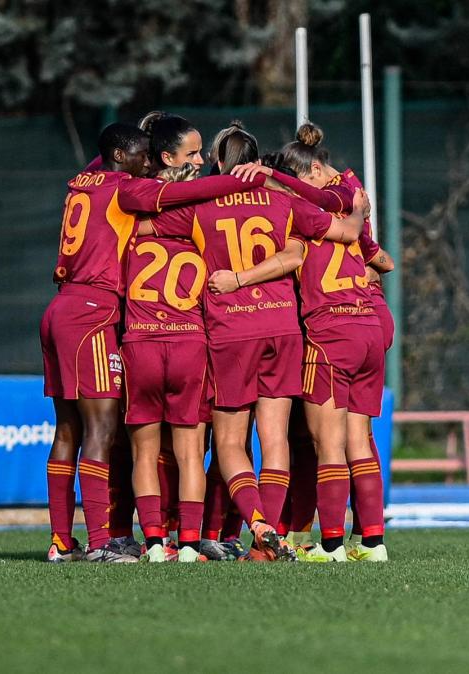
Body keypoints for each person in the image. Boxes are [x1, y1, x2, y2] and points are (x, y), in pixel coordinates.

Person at [138, 121, 367, 561]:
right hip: (283, 329)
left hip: (231, 332)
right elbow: (346, 233)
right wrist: (358, 210)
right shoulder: (281, 201)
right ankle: (265, 545)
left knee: (229, 444)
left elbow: (144, 229)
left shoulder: (203, 205)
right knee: (275, 439)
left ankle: (259, 526)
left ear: (221, 163)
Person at [41, 123, 265, 563]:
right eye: (143, 154)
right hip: (94, 310)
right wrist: (245, 177)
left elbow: (102, 157)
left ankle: (62, 540)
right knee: (103, 431)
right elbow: (185, 195)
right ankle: (103, 543)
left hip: (60, 309)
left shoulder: (81, 182)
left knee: (68, 431)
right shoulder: (127, 191)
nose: (150, 161)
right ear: (122, 157)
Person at [212, 123, 391, 562]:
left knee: (323, 445)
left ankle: (328, 544)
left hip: (329, 333)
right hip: (371, 325)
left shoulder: (303, 215)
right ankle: (372, 543)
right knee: (359, 441)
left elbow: (293, 255)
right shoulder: (348, 212)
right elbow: (382, 260)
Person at [122, 162, 212, 563]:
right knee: (190, 451)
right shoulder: (202, 235)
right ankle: (191, 543)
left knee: (144, 453)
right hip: (188, 343)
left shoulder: (131, 233)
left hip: (141, 340)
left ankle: (156, 542)